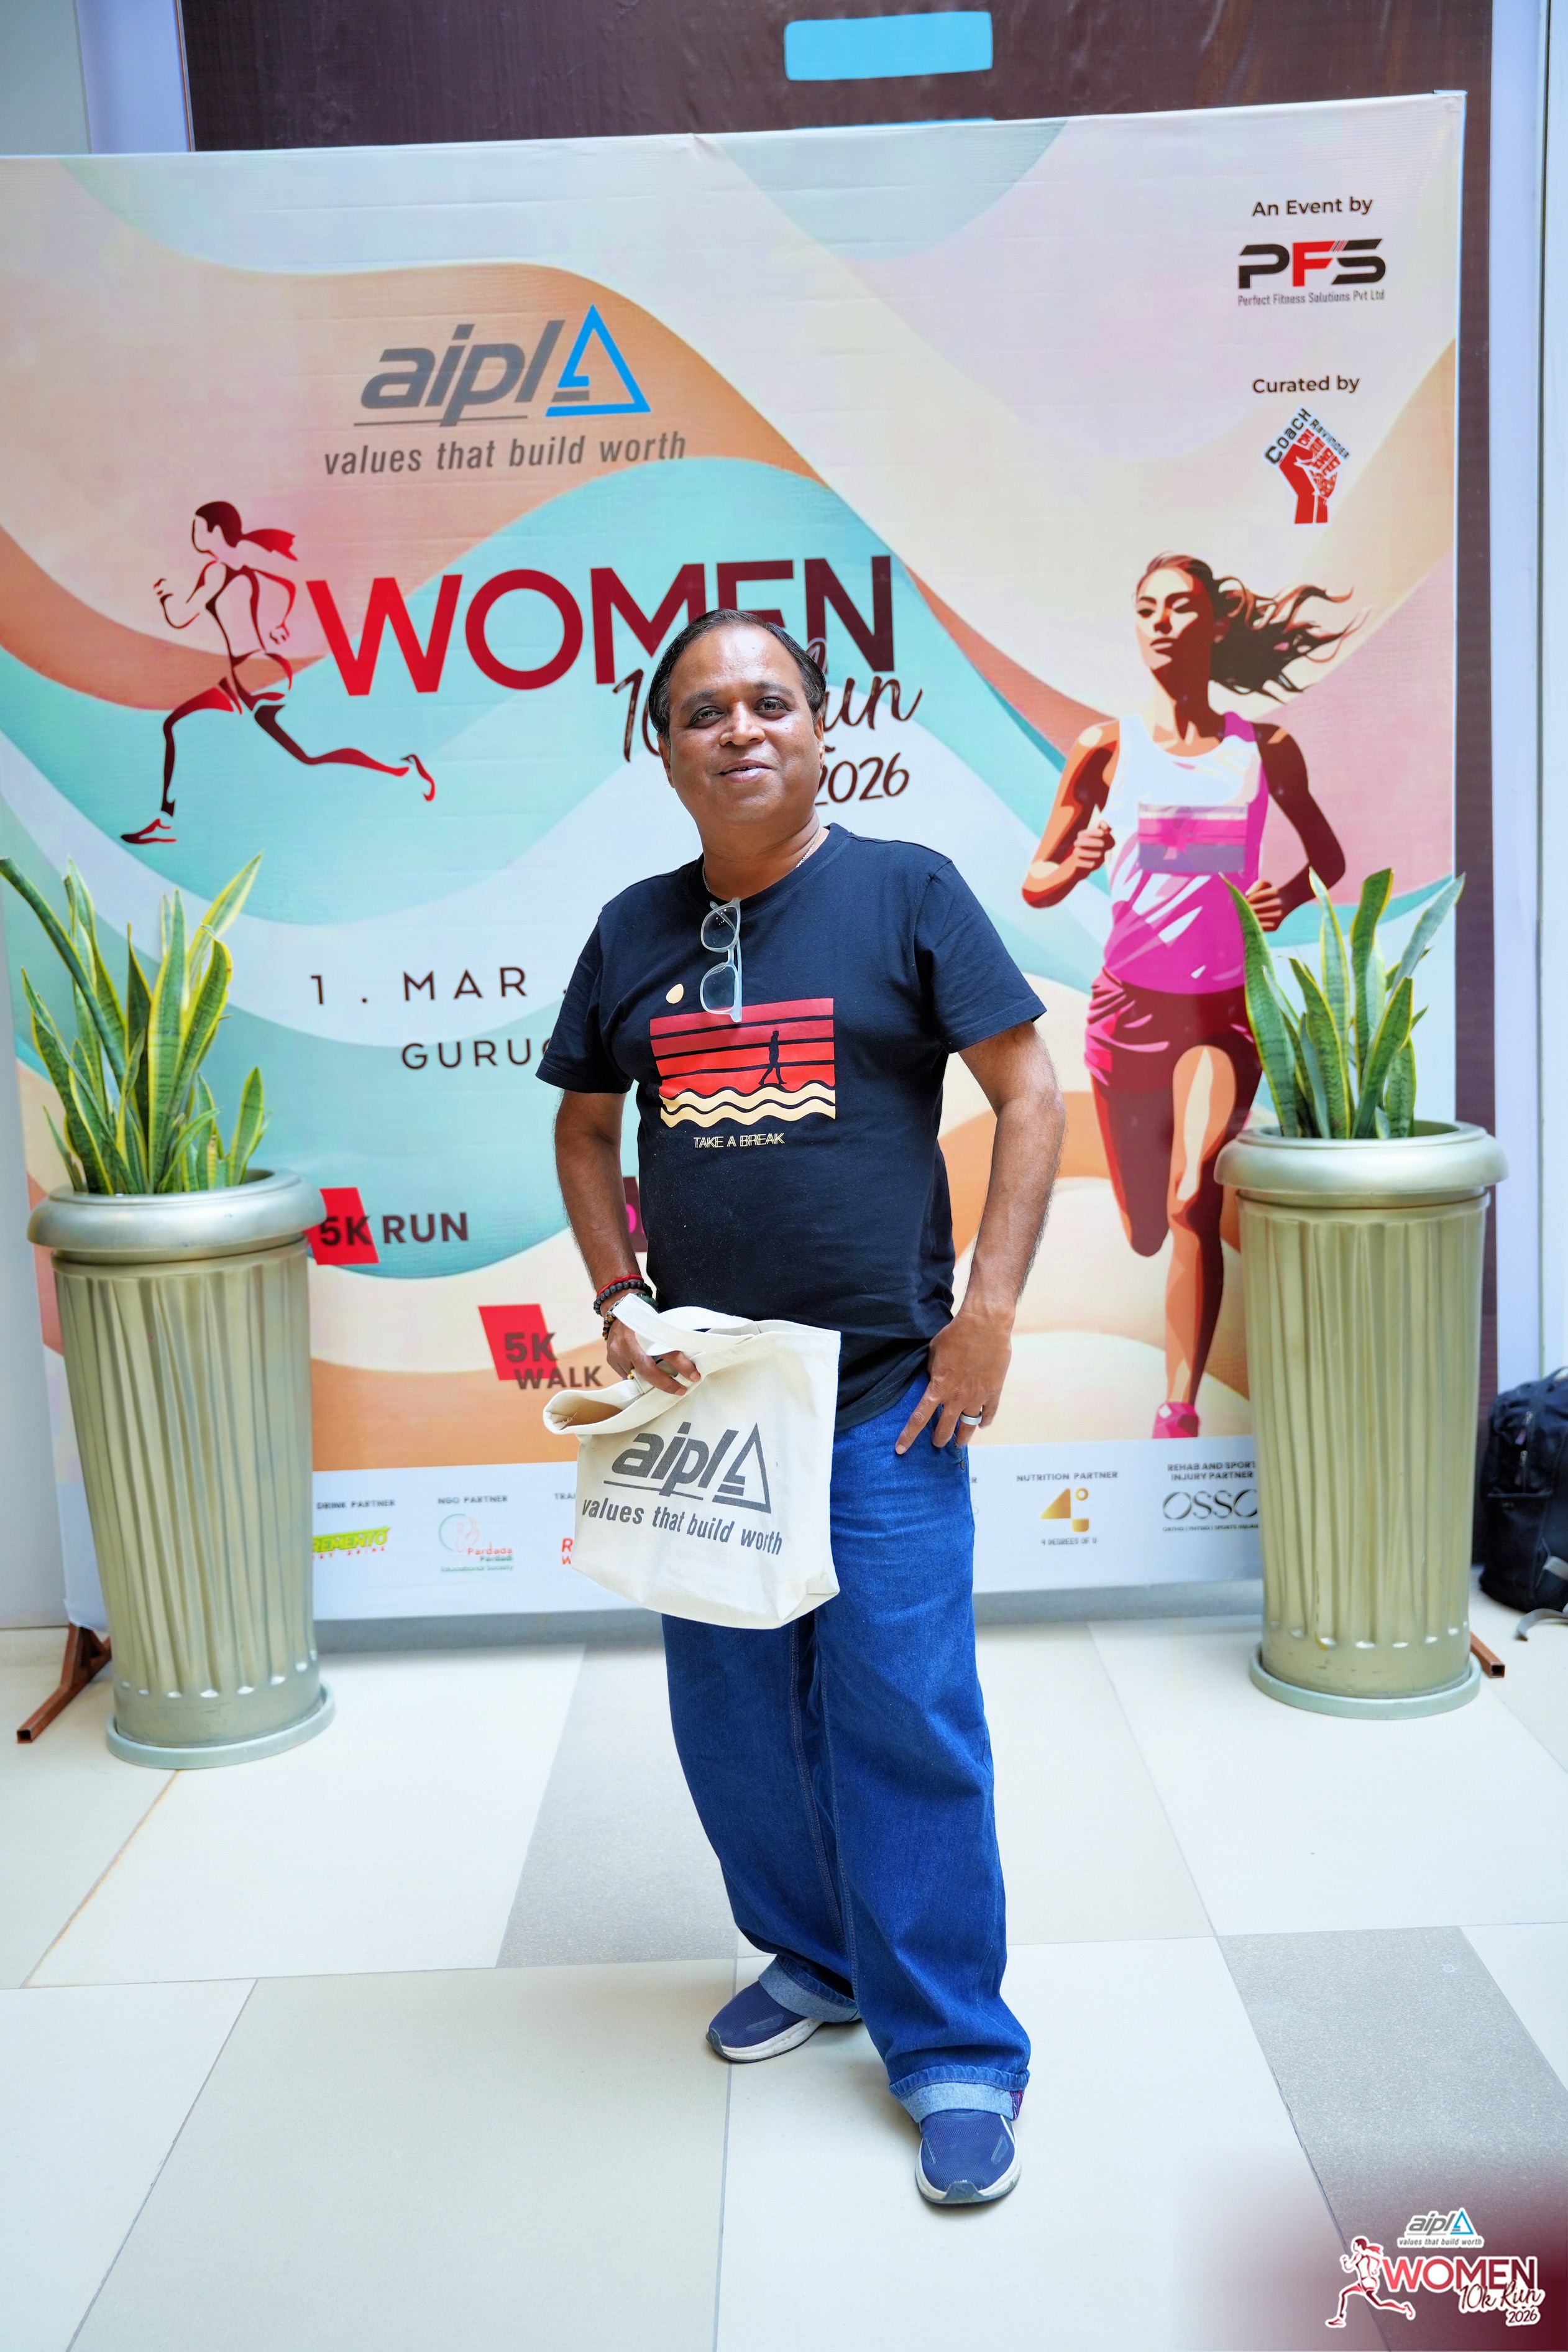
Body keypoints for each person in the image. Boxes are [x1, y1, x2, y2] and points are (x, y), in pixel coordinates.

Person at [541, 610, 1065, 2206]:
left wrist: (986, 1314)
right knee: (735, 1723)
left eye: (770, 699)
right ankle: (816, 1952)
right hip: (707, 1409)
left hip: (887, 1400)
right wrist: (618, 1291)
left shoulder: (906, 891)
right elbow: (582, 1127)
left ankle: (954, 2044)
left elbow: (1029, 1090)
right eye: (704, 710)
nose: (740, 728)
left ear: (822, 728)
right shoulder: (632, 929)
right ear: (665, 751)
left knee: (903, 1713)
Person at [1021, 554, 1347, 1438]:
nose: (1161, 622)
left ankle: (1178, 1408)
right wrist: (1074, 864)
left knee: (1192, 1196)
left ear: (1214, 623)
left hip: (1221, 1012)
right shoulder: (1105, 748)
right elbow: (1035, 881)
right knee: (1143, 1224)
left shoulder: (1263, 751)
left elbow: (1327, 857)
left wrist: (1284, 896)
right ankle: (1148, 1244)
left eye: (1180, 607)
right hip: (1128, 1010)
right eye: (1147, 609)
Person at [121, 501, 435, 845]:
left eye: (198, 528)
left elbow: (180, 617)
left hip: (254, 677)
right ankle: (167, 821)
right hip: (246, 675)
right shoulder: (241, 569)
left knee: (309, 756)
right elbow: (286, 587)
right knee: (177, 726)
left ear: (215, 531)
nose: (194, 534)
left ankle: (402, 769)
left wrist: (166, 597)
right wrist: (278, 626)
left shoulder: (216, 571)